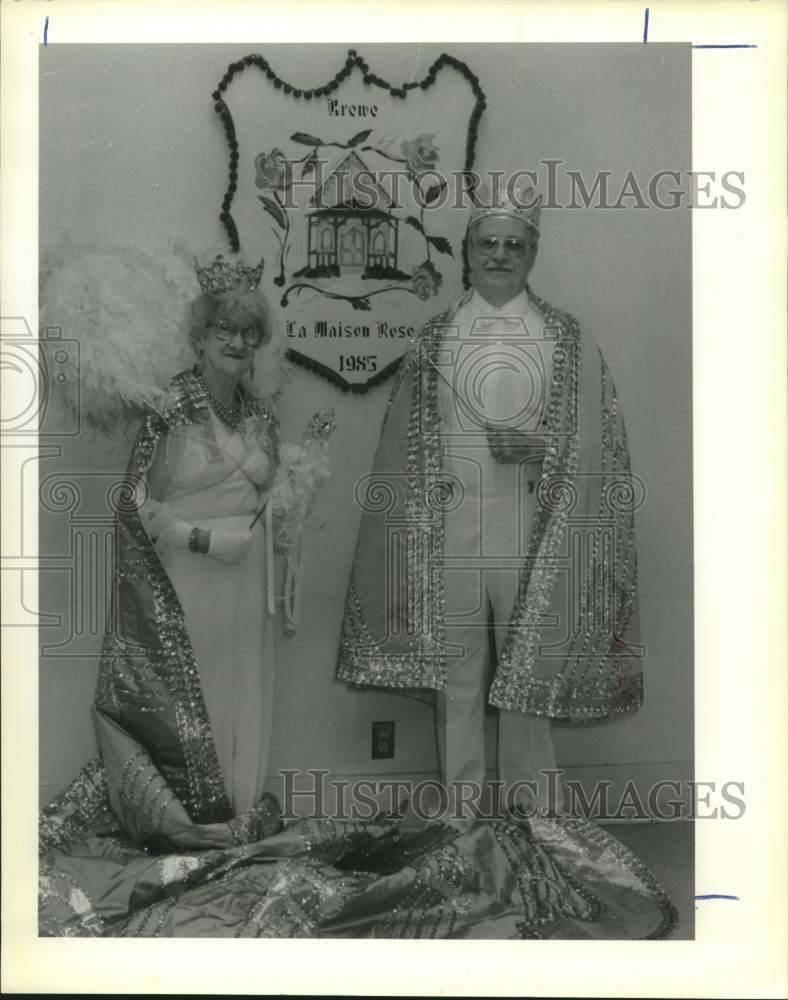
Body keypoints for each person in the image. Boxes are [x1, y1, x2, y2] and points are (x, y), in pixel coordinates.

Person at [337, 181, 642, 828]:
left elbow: (600, 443)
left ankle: (538, 819)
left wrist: (539, 446)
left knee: (528, 678)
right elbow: (404, 444)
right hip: (451, 532)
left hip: (532, 529)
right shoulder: (436, 336)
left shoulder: (565, 337)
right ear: (467, 253)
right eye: (487, 244)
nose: (500, 255)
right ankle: (461, 817)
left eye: (514, 245)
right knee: (457, 679)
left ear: (532, 254)